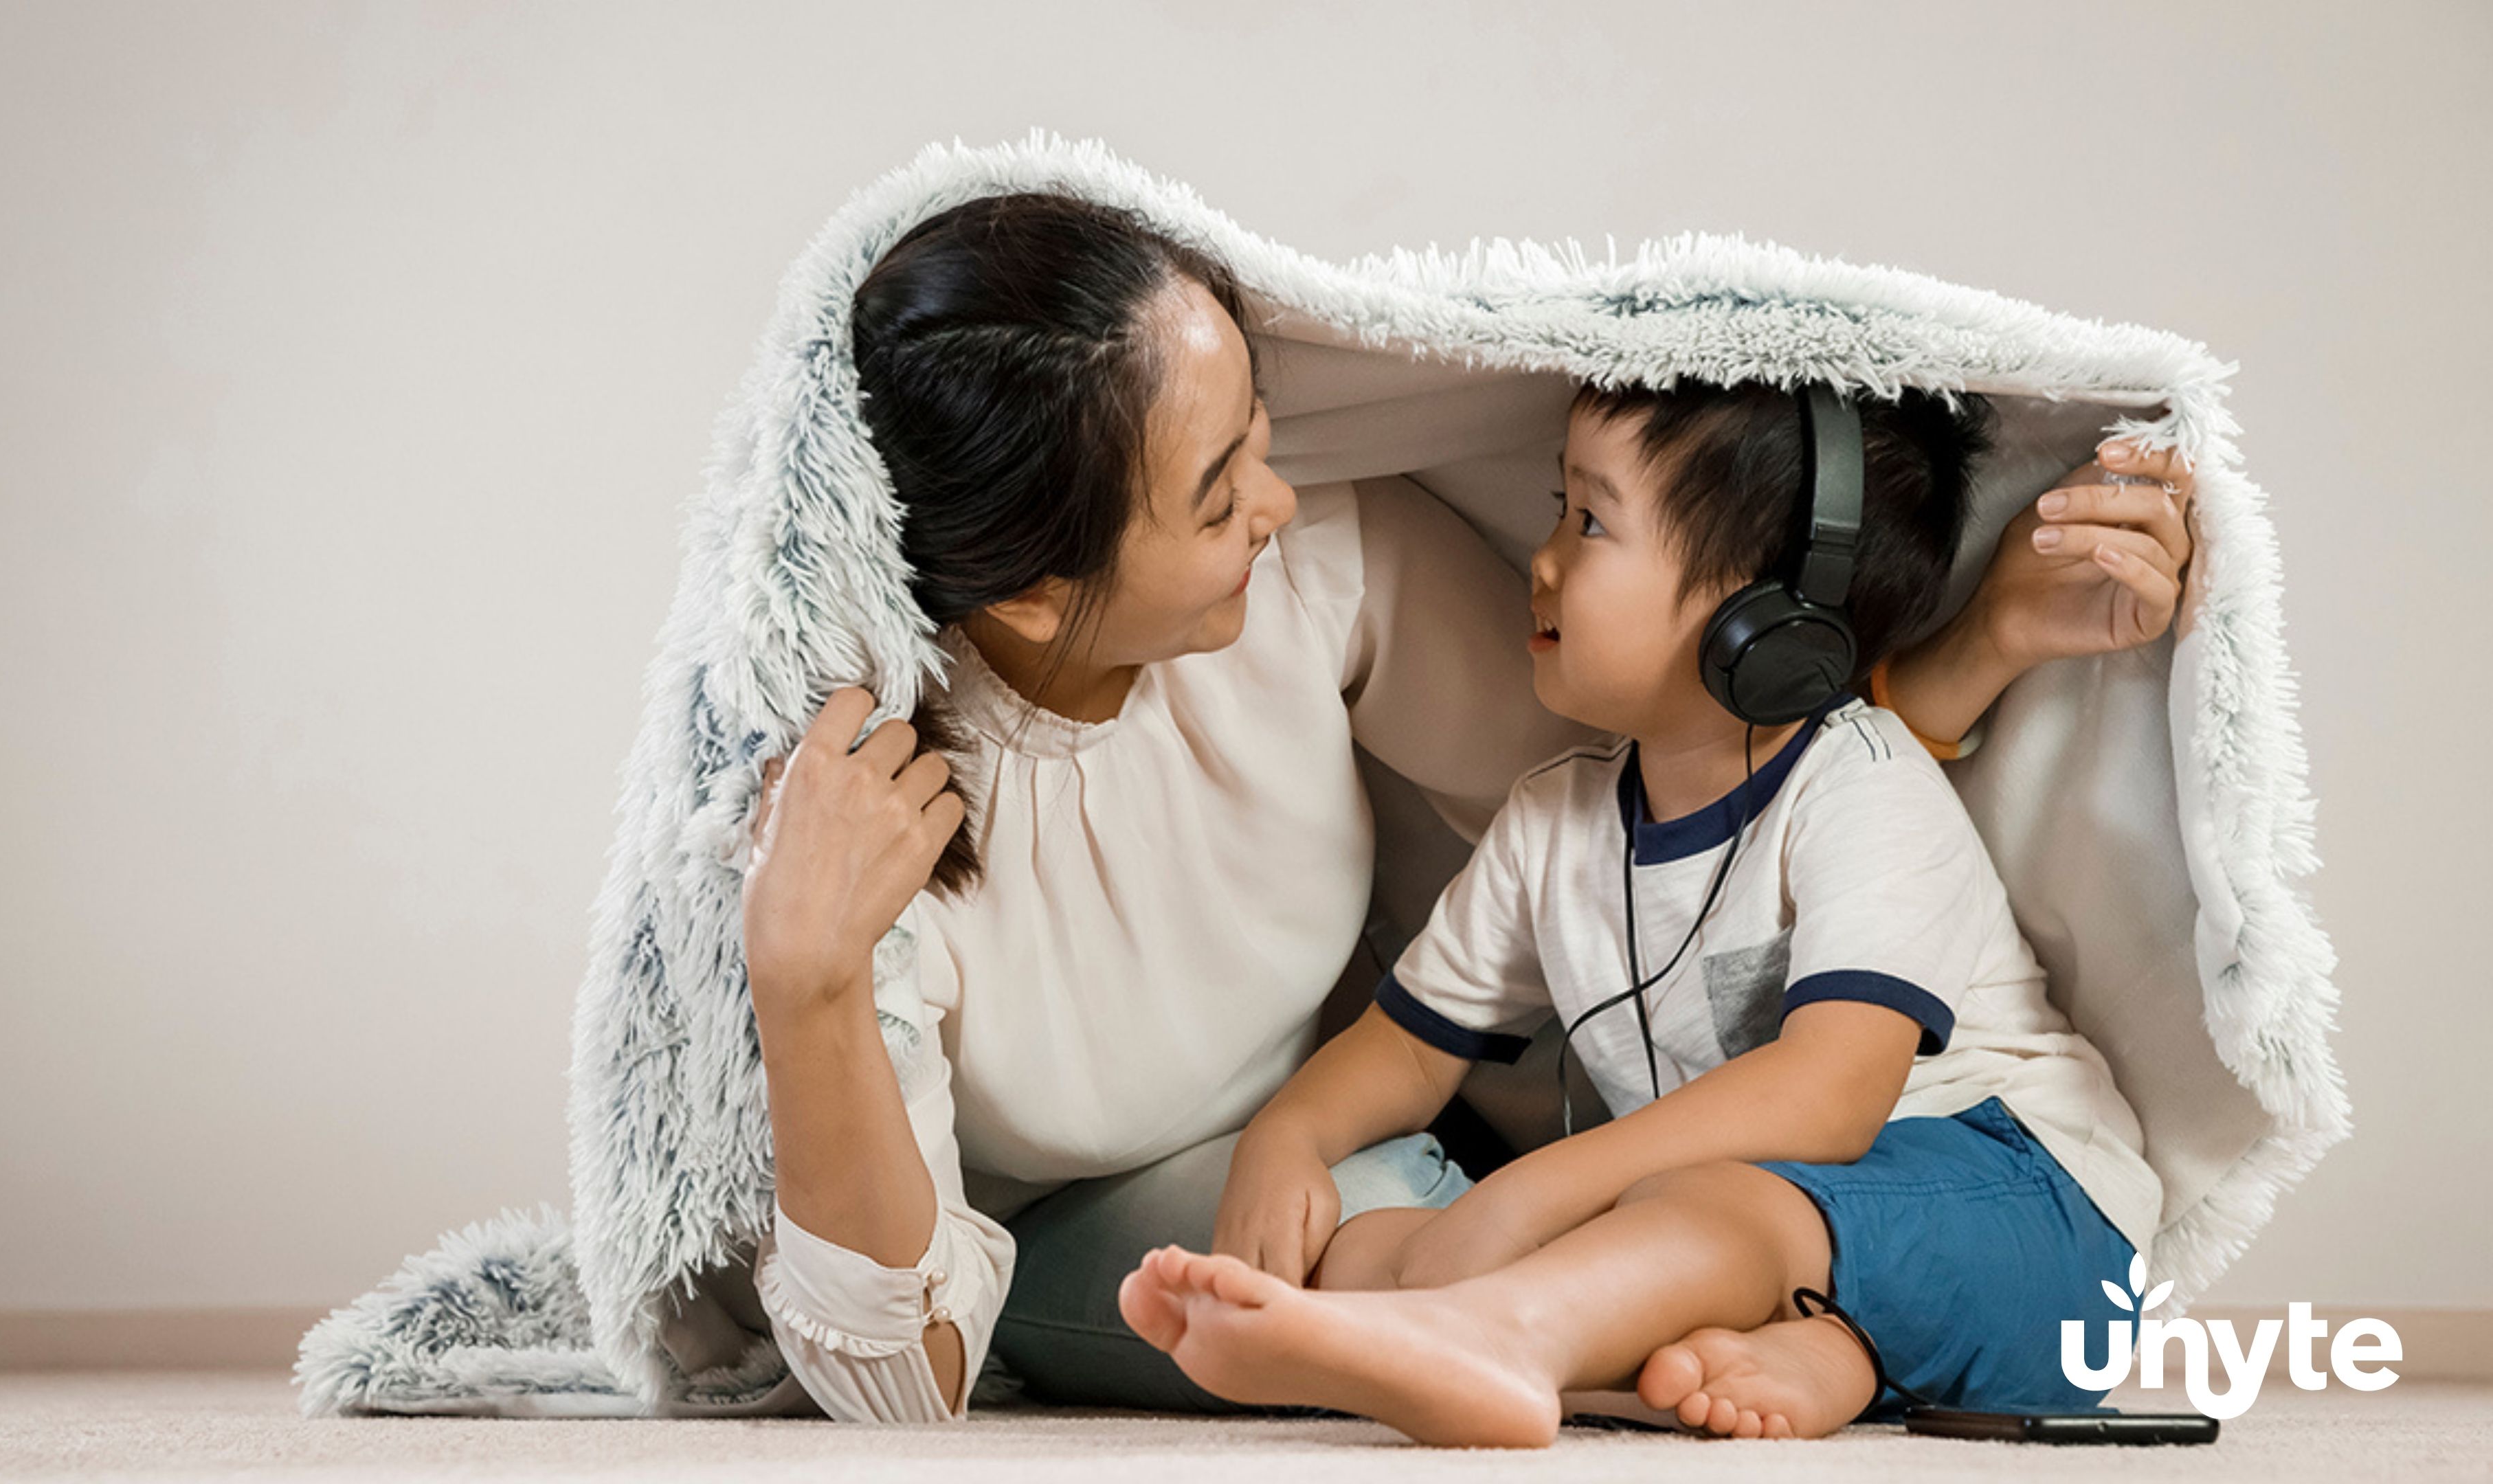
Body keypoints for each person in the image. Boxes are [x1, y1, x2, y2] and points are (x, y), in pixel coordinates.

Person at [711, 190, 2199, 1423]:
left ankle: (1528, 1334)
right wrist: (812, 984)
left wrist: (1981, 642)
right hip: (1750, 1210)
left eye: (1265, 443)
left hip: (1996, 1176)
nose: (1282, 504)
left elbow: (1775, 816)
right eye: (1221, 492)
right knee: (1529, 1240)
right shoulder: (873, 809)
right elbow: (1411, 1039)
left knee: (1708, 1217)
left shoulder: (1361, 583)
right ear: (1037, 591)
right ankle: (1738, 1354)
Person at [1118, 376, 2180, 1446]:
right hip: (1772, 1237)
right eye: (1555, 510)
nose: (1542, 559)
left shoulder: (1865, 780)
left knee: (1690, 1212)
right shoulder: (1554, 820)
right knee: (1384, 1243)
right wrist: (1287, 1139)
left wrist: (1529, 1197)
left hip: (2033, 1214)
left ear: (1765, 618)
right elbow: (1405, 1052)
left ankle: (1506, 1337)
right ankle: (1809, 1357)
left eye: (1590, 522)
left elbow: (1831, 1099)